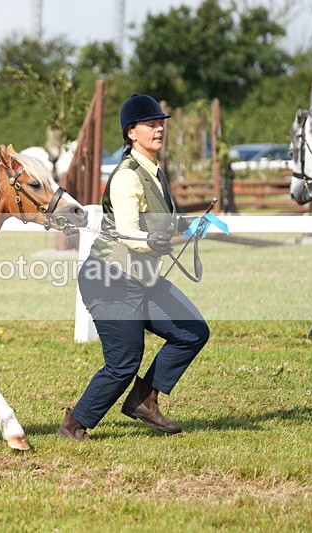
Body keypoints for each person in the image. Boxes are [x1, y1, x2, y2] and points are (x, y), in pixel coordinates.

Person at [57, 94, 210, 441]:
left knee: (193, 331)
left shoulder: (154, 172)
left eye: (160, 123)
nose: (158, 128)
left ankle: (144, 400)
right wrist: (154, 240)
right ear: (131, 133)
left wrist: (183, 224)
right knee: (124, 363)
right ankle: (74, 424)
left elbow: (157, 218)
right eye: (150, 124)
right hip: (111, 279)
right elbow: (128, 229)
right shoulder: (127, 176)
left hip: (142, 278)